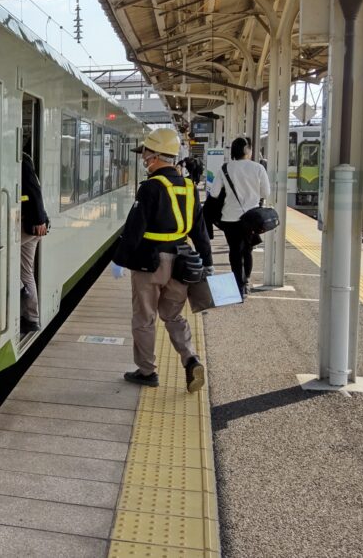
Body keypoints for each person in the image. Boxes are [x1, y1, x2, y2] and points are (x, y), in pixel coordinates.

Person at [115, 128, 212, 393]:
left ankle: (147, 371)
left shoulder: (150, 187)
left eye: (145, 153)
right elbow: (199, 230)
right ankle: (190, 358)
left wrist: (119, 260)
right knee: (172, 315)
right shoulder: (190, 187)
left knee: (144, 318)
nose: (143, 157)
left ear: (154, 156)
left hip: (150, 262)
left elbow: (135, 228)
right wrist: (206, 261)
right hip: (182, 262)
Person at [207, 136, 270, 298]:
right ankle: (246, 281)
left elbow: (214, 193)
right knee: (247, 250)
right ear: (246, 150)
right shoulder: (258, 168)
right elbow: (265, 193)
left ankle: (238, 286)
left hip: (230, 218)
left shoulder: (225, 168)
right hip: (252, 218)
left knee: (235, 251)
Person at [20, 147, 49, 334]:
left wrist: (39, 220)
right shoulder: (26, 159)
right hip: (34, 226)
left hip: (29, 226)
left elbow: (33, 190)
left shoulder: (21, 160)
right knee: (26, 272)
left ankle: (21, 290)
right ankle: (32, 319)